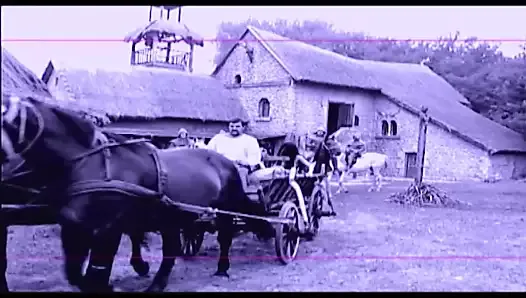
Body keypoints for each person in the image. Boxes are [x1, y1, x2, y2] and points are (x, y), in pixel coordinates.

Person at [207, 118, 262, 189]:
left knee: (240, 173)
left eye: (237, 126)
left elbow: (254, 159)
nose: (234, 128)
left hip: (240, 167)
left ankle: (242, 195)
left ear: (243, 127)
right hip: (221, 166)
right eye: (232, 126)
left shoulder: (250, 141)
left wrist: (243, 162)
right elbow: (209, 152)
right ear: (228, 127)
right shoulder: (218, 139)